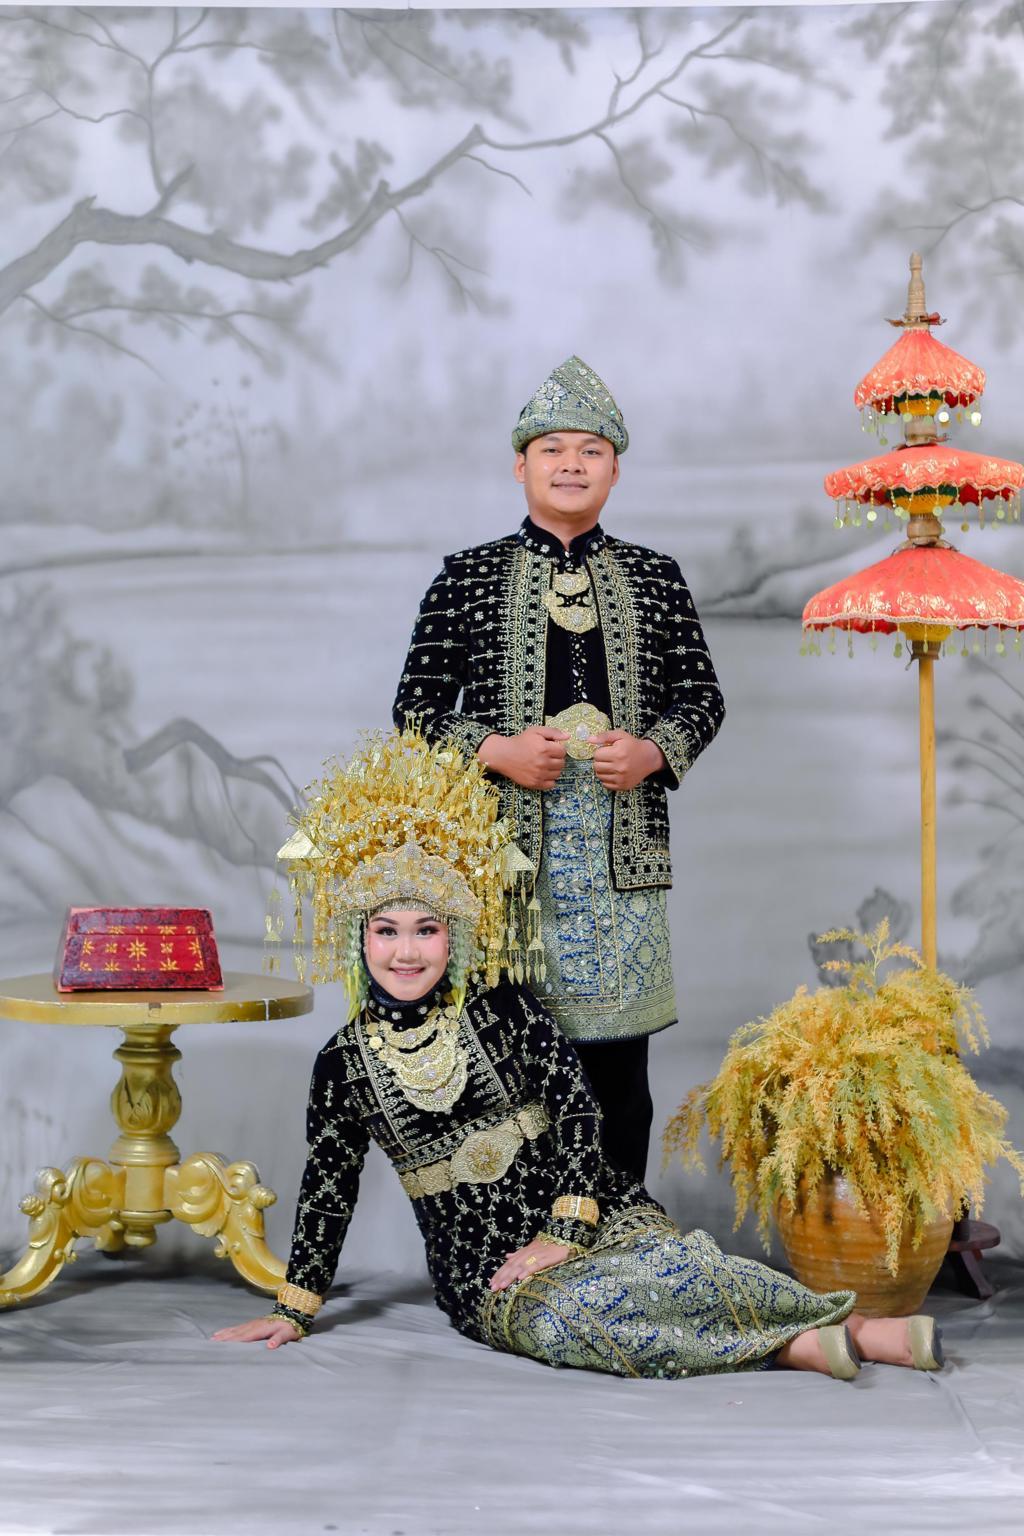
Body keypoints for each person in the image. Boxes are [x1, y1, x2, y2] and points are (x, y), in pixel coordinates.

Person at [214, 729, 943, 1381]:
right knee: (572, 1318)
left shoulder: (501, 1005)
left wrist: (565, 1228)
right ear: (358, 938)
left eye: (426, 929)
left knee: (676, 1268)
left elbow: (575, 1106)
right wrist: (295, 1307)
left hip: (588, 1205)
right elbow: (329, 1187)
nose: (407, 952)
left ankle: (850, 1329)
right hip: (483, 1266)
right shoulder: (343, 1065)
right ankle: (805, 1344)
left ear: (455, 934)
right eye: (387, 931)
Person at [392, 356, 725, 1185]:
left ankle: (618, 1234)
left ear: (615, 469)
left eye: (590, 451)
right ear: (521, 466)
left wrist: (653, 751)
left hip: (622, 857)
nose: (571, 464)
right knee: (504, 1074)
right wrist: (495, 751)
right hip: (502, 864)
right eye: (552, 450)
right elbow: (414, 708)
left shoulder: (655, 576)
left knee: (619, 1085)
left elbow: (702, 699)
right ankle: (517, 1242)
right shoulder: (466, 575)